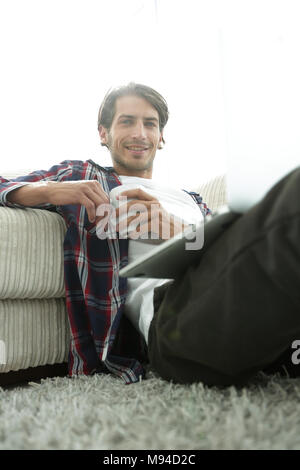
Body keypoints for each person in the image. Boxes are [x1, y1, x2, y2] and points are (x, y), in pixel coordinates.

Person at [1, 83, 299, 387]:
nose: (140, 133)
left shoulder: (192, 199)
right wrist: (51, 190)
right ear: (104, 133)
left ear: (161, 136)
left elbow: (234, 255)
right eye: (127, 121)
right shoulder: (86, 177)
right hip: (174, 321)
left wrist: (182, 233)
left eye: (150, 124)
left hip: (239, 296)